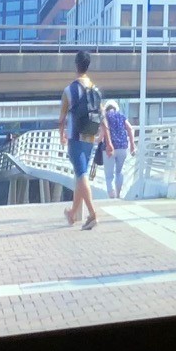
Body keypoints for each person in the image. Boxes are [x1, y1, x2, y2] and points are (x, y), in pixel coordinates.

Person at [57, 51, 109, 230]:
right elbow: (103, 117)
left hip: (75, 137)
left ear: (75, 65)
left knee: (81, 175)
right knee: (81, 175)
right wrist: (108, 141)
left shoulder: (69, 90)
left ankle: (93, 214)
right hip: (91, 137)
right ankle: (72, 213)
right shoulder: (95, 89)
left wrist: (61, 135)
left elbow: (61, 119)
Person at [101, 99, 133, 198]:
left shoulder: (105, 117)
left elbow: (102, 134)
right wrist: (132, 144)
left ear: (106, 109)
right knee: (119, 172)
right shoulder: (122, 116)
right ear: (116, 108)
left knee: (109, 176)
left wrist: (96, 140)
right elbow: (130, 128)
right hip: (123, 147)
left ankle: (111, 196)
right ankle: (118, 194)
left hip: (109, 149)